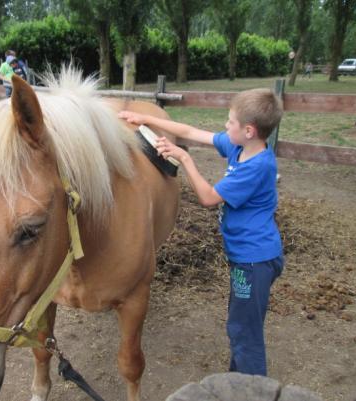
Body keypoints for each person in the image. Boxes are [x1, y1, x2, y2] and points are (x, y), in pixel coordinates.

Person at [119, 88, 284, 376]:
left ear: (248, 130)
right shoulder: (241, 147)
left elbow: (208, 198)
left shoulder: (256, 166)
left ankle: (251, 389)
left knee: (244, 331)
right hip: (249, 256)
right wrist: (143, 116)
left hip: (254, 260)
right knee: (241, 325)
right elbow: (190, 131)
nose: (225, 125)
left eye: (230, 122)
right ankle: (240, 381)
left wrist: (184, 159)